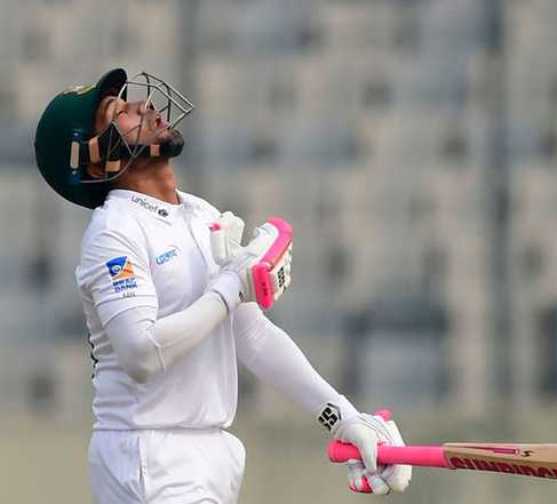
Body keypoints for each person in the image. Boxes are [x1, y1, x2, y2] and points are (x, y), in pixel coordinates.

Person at [34, 68, 411, 503]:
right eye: (118, 112)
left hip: (212, 453)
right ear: (95, 158)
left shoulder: (198, 213)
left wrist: (343, 418)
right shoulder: (113, 233)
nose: (143, 104)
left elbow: (252, 334)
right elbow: (142, 353)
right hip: (148, 454)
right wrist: (231, 287)